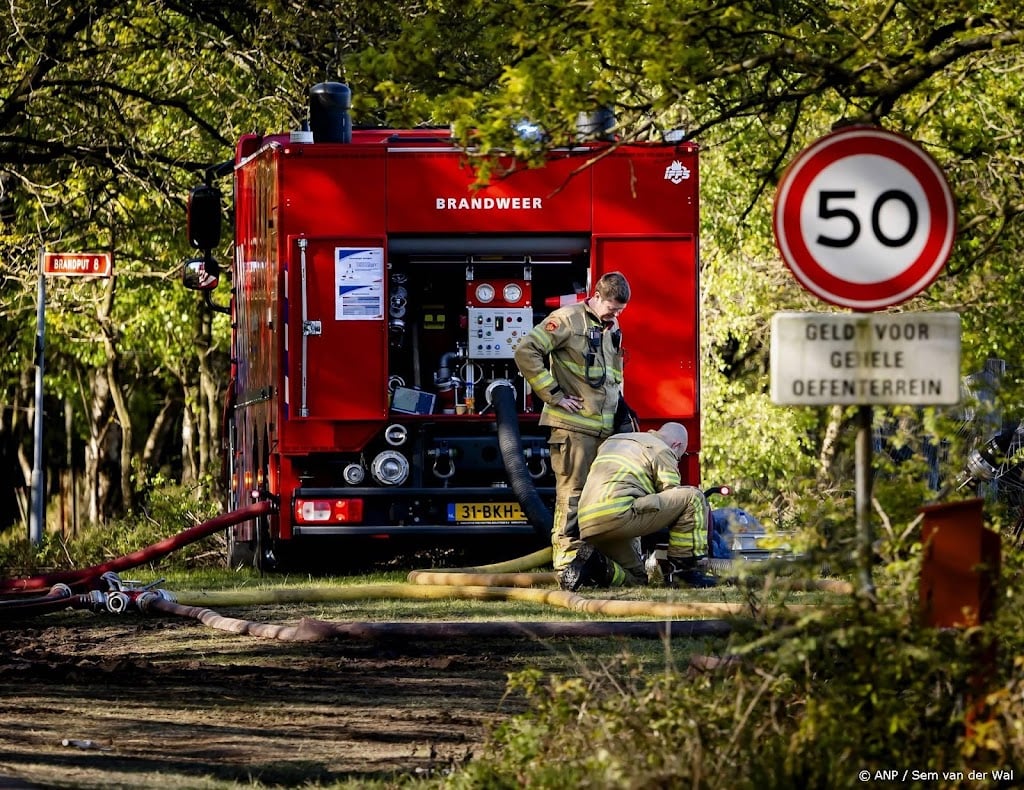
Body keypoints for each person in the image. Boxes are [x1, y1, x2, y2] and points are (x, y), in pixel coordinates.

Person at [514, 271, 635, 589]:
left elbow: (610, 377)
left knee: (602, 498)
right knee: (572, 496)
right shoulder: (567, 319)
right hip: (573, 430)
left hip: (603, 431)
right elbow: (525, 351)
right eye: (612, 307)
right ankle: (567, 563)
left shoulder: (610, 326)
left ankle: (595, 562)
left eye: (620, 310)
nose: (615, 314)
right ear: (596, 295)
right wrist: (553, 395)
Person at [561, 421, 715, 590]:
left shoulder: (615, 441)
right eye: (679, 456)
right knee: (693, 497)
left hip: (588, 523)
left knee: (638, 578)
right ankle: (686, 574)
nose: (676, 460)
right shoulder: (662, 449)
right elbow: (673, 496)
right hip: (620, 516)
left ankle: (597, 566)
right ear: (677, 445)